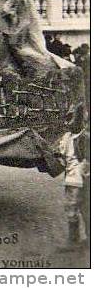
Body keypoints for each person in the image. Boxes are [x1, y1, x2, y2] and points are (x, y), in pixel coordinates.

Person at [55, 105, 90, 252]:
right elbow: (59, 154)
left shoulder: (85, 137)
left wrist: (85, 172)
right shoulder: (67, 137)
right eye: (67, 119)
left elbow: (88, 160)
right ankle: (82, 239)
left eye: (72, 119)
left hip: (79, 180)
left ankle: (75, 240)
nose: (68, 123)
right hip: (71, 179)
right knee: (76, 208)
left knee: (77, 208)